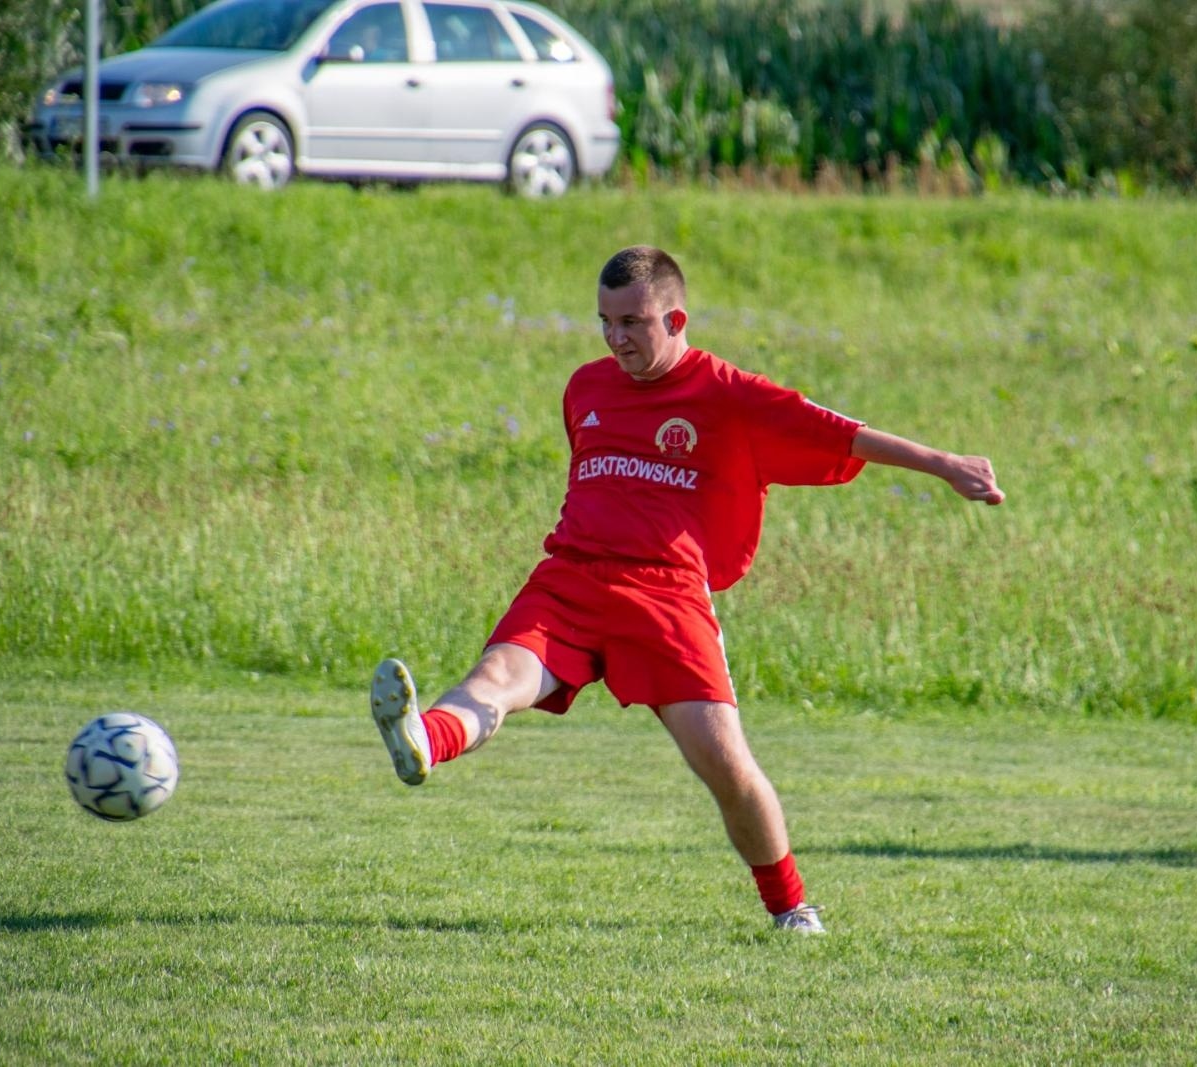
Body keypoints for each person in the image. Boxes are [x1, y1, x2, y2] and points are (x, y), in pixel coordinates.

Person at [371, 246, 1005, 934]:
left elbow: (840, 434)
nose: (615, 338)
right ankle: (425, 740)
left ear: (675, 320)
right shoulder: (585, 388)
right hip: (571, 577)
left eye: (632, 323)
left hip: (666, 596)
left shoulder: (729, 394)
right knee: (496, 677)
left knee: (726, 766)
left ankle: (790, 907)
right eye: (605, 321)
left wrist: (945, 464)